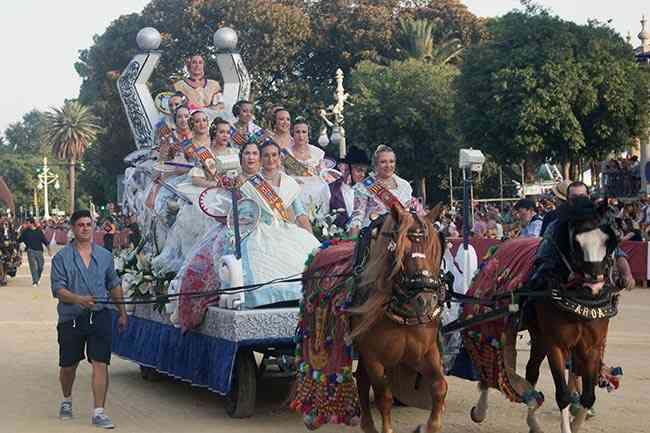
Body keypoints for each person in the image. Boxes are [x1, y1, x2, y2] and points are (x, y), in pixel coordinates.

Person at [50, 210, 128, 429]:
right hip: (71, 318)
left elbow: (114, 284)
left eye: (88, 224)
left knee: (100, 362)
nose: (85, 228)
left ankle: (99, 412)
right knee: (68, 366)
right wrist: (78, 299)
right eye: (81, 225)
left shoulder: (105, 256)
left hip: (100, 315)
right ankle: (66, 399)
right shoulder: (62, 258)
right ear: (73, 229)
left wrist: (122, 313)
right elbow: (57, 289)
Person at [348, 145, 417, 238]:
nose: (388, 166)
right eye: (383, 162)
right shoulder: (365, 186)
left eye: (391, 161)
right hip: (374, 235)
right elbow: (358, 215)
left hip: (401, 233)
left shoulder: (404, 185)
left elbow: (409, 212)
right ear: (376, 165)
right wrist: (353, 242)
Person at [319, 146, 370, 230]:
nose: (363, 175)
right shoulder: (329, 189)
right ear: (348, 169)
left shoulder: (367, 192)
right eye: (359, 170)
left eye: (364, 171)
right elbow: (322, 218)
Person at [286, 117, 327, 212]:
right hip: (294, 190)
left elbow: (324, 175)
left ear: (308, 134)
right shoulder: (286, 153)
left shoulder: (318, 152)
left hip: (316, 191)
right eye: (297, 132)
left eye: (304, 132)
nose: (301, 136)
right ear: (293, 133)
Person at [190, 117, 240, 189]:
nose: (225, 135)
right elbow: (195, 180)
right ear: (214, 133)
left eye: (228, 132)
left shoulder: (236, 152)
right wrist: (216, 184)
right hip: (214, 192)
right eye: (221, 132)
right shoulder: (205, 153)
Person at [18, 218, 51, 286]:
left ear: (32, 223)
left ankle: (37, 278)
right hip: (30, 251)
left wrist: (49, 250)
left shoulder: (39, 231)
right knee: (33, 266)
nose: (26, 224)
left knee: (40, 266)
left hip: (39, 251)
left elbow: (45, 241)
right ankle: (35, 281)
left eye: (28, 223)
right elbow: (19, 240)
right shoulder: (25, 232)